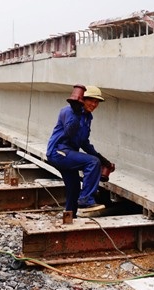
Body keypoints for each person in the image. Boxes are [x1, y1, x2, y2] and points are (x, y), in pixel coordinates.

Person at [46, 85, 115, 215]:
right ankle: (86, 200)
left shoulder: (88, 117)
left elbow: (83, 142)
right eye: (91, 101)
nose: (94, 105)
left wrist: (100, 157)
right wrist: (76, 114)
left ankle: (70, 216)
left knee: (74, 187)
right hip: (58, 152)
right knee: (92, 162)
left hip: (69, 154)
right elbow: (69, 132)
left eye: (97, 102)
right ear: (82, 99)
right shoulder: (68, 111)